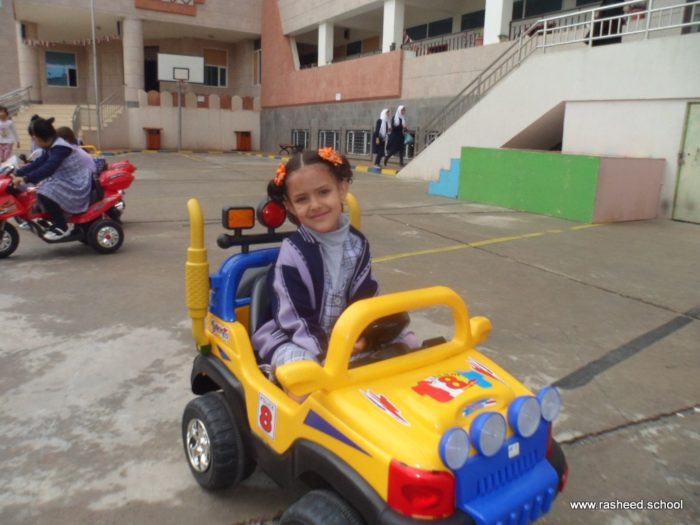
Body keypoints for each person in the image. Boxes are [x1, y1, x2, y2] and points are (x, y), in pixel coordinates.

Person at [252, 147, 415, 387]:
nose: (315, 205)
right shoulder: (292, 252)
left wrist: (363, 336)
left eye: (323, 192)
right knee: (304, 375)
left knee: (408, 341)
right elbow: (295, 317)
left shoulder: (358, 243)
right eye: (302, 199)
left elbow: (365, 296)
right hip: (293, 336)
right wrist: (328, 351)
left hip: (343, 333)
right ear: (290, 206)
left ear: (342, 189)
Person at [11, 116, 92, 240]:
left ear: (35, 137)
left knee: (44, 191)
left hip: (76, 182)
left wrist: (25, 178)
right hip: (63, 179)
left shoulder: (60, 148)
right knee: (36, 188)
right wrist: (18, 173)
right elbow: (39, 162)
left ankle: (61, 227)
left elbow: (49, 168)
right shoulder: (51, 145)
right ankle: (45, 218)